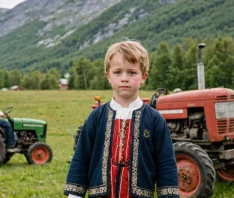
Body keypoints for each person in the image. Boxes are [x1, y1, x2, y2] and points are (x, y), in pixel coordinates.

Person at [64, 41, 179, 198]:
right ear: (108, 76)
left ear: (144, 76)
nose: (124, 78)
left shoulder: (155, 120)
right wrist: (75, 195)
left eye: (132, 72)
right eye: (117, 72)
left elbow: (166, 164)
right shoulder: (96, 117)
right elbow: (82, 157)